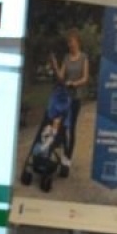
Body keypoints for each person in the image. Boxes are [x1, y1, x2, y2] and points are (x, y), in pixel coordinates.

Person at [47, 28, 89, 169]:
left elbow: (85, 78)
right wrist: (54, 65)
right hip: (65, 98)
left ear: (77, 42)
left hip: (75, 98)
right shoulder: (66, 58)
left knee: (71, 128)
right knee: (62, 127)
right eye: (68, 43)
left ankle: (68, 159)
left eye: (72, 42)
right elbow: (61, 76)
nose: (70, 45)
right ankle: (63, 153)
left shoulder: (83, 58)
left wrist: (74, 83)